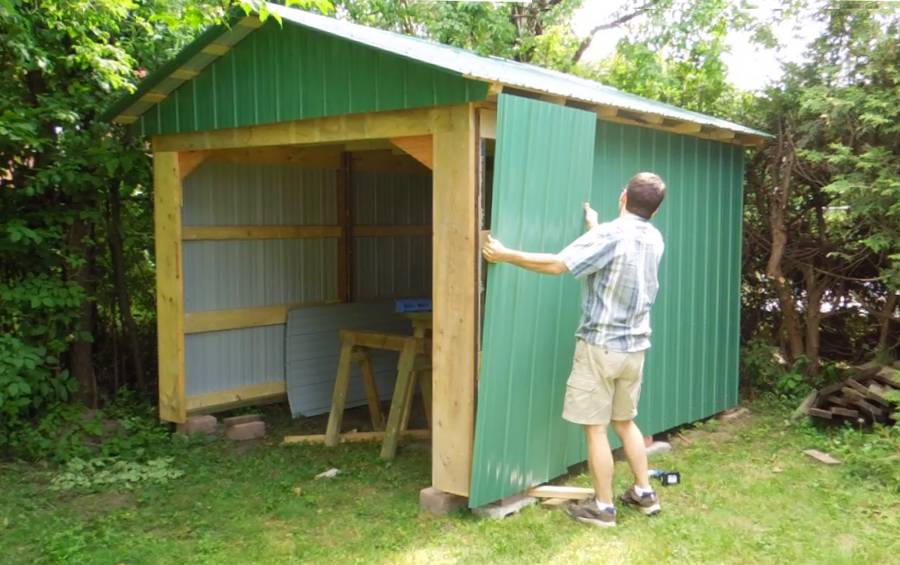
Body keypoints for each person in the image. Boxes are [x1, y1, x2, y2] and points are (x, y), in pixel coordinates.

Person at [481, 171, 667, 528]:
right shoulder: (653, 237)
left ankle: (603, 507)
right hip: (635, 348)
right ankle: (645, 494)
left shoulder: (609, 235)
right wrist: (595, 227)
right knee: (624, 422)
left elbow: (556, 265)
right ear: (655, 211)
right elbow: (613, 253)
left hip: (600, 347)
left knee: (595, 428)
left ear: (623, 195)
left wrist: (504, 254)